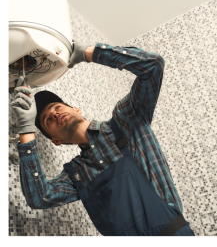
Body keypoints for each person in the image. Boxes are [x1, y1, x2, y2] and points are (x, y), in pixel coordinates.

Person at [10, 42, 194, 236]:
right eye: (48, 120)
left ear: (76, 109)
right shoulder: (77, 173)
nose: (55, 114)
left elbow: (153, 66)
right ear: (56, 140)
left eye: (57, 107)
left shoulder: (127, 121)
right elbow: (39, 197)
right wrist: (26, 127)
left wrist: (90, 54)